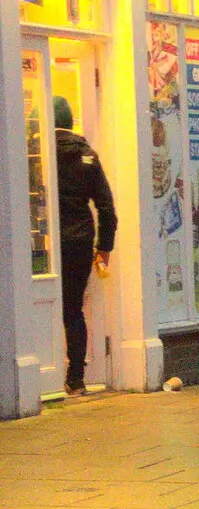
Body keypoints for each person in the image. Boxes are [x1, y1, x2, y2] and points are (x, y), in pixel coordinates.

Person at [54, 96, 117, 396]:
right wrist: (104, 248)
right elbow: (106, 207)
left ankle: (41, 375)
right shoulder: (88, 155)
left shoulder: (35, 153)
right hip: (79, 241)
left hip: (45, 242)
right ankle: (76, 378)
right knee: (73, 308)